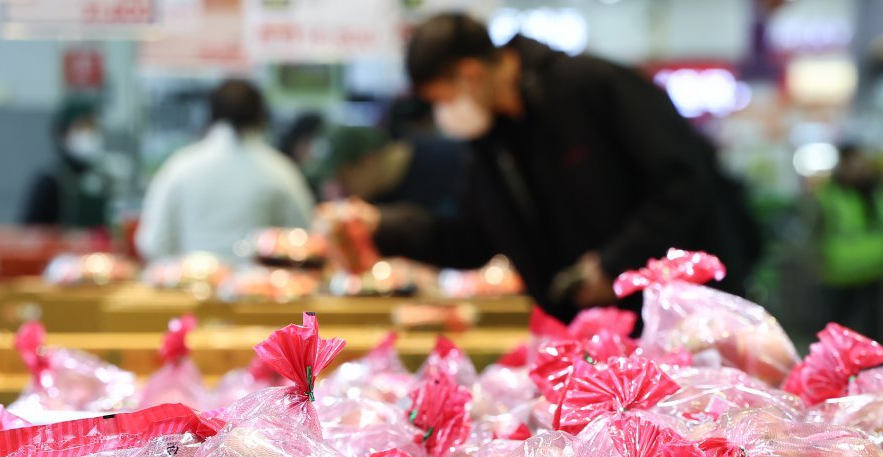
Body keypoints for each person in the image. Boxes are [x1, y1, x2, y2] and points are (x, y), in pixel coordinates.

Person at [337, 13, 760, 321]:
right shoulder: (492, 142)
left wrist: (613, 263)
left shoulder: (592, 86)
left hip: (686, 318)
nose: (444, 115)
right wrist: (381, 225)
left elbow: (681, 182)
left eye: (441, 100)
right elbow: (472, 238)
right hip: (596, 333)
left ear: (469, 74)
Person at [136, 79, 313, 262]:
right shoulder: (280, 171)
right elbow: (304, 238)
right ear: (261, 116)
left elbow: (153, 243)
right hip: (259, 287)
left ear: (209, 114)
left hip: (190, 284)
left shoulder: (180, 168)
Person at [311, 124, 469, 220]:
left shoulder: (452, 161)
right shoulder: (372, 198)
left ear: (368, 161)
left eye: (342, 178)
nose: (337, 190)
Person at [814, 144, 883, 338]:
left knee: (872, 327)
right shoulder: (829, 195)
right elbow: (814, 234)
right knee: (836, 326)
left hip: (873, 271)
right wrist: (816, 264)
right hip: (839, 274)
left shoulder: (875, 191)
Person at [21, 96, 110, 230]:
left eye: (93, 127)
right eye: (82, 127)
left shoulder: (103, 180)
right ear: (64, 133)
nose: (89, 134)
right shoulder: (49, 181)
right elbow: (29, 235)